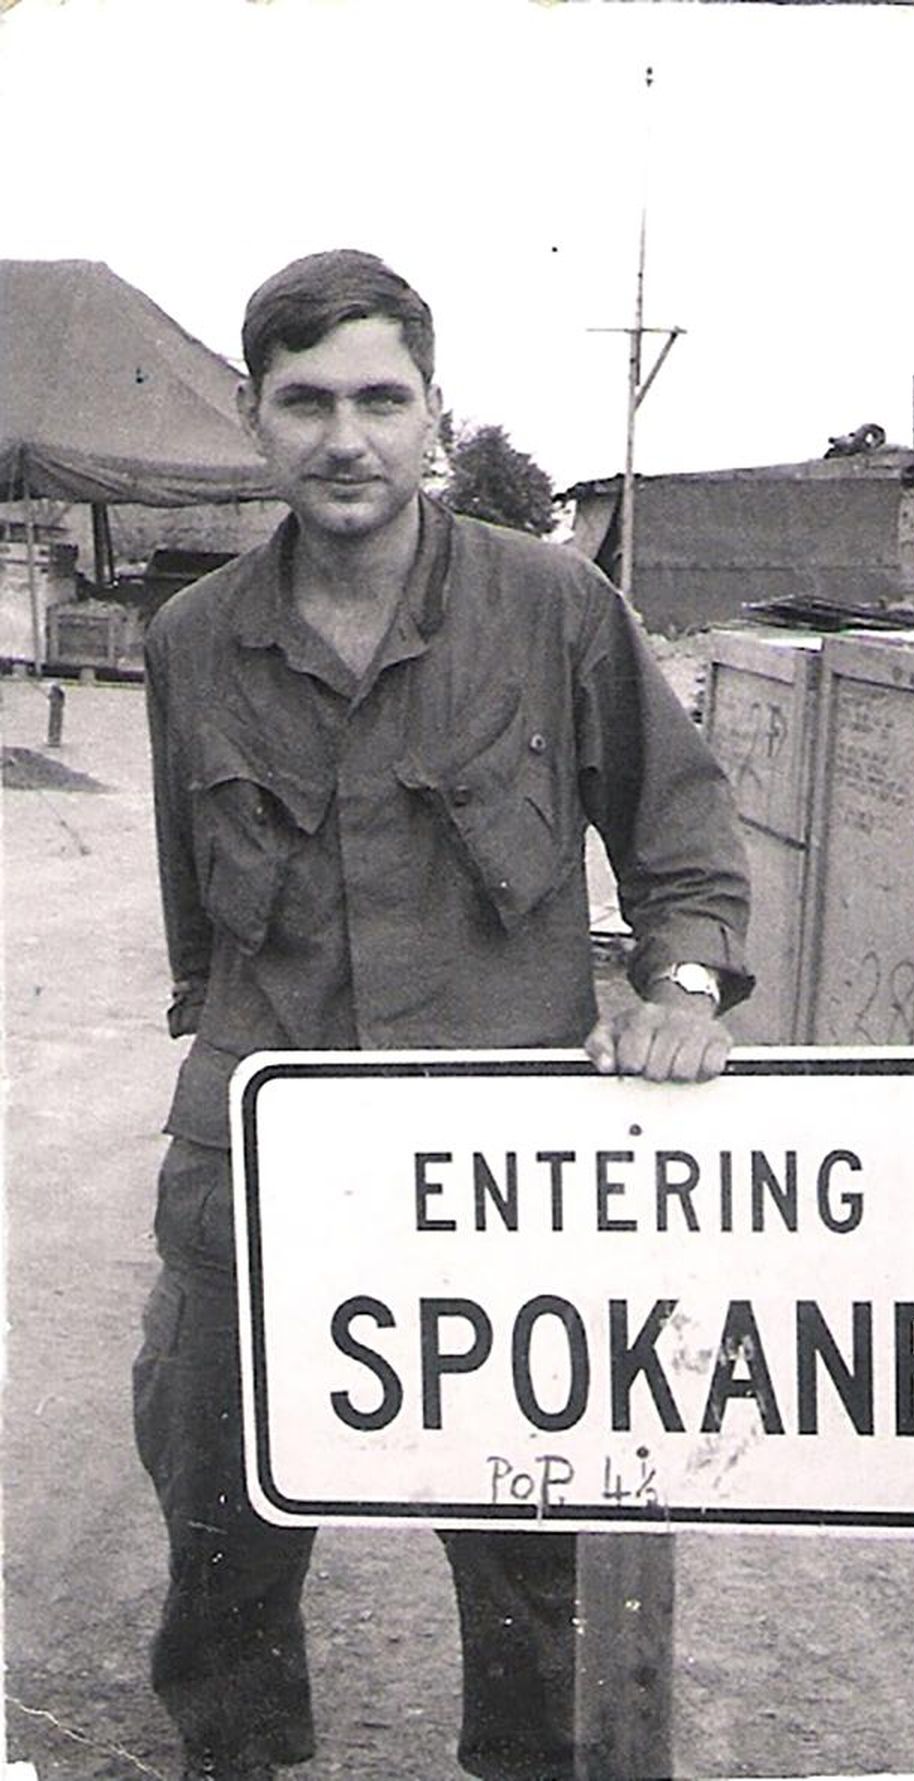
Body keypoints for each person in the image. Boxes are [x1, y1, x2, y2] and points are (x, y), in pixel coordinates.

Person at [133, 248, 753, 1781]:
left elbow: (681, 839)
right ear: (252, 417)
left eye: (378, 398)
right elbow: (195, 916)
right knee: (218, 1513)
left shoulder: (552, 604)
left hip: (503, 1179)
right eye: (304, 402)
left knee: (536, 1539)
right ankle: (237, 1757)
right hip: (259, 1162)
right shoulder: (192, 638)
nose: (343, 437)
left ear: (434, 416)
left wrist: (673, 987)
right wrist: (234, 1046)